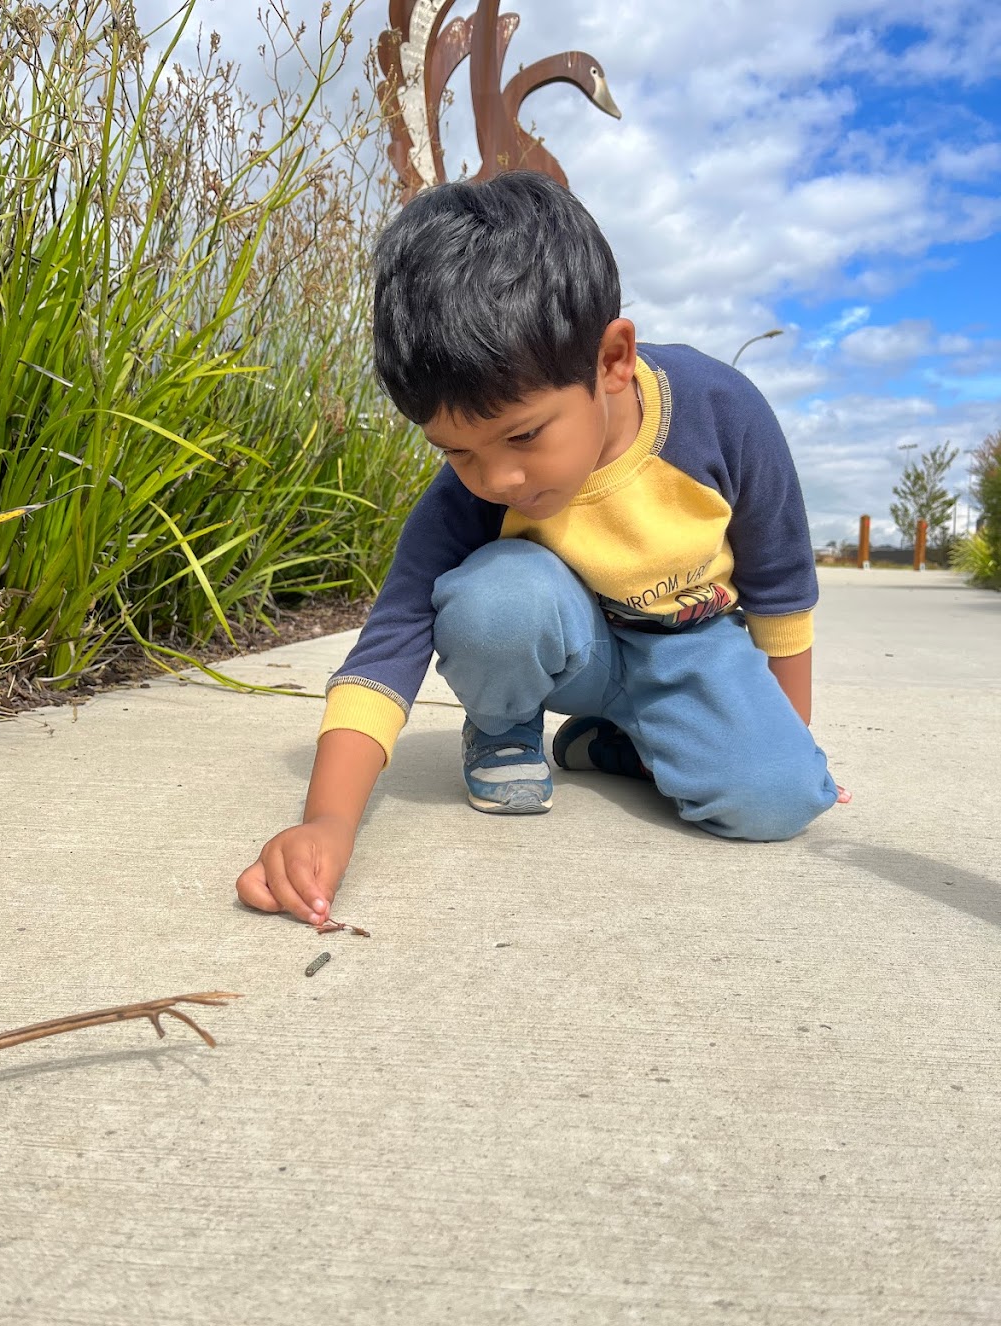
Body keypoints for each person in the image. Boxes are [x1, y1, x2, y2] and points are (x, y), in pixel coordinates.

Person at [236, 170, 846, 927]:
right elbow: (389, 643)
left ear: (612, 359)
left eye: (524, 434)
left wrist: (789, 735)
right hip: (568, 646)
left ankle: (617, 743)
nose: (498, 478)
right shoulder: (472, 492)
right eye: (457, 450)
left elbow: (783, 589)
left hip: (689, 648)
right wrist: (328, 821)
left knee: (780, 798)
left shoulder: (724, 414)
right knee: (497, 601)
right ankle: (502, 726)